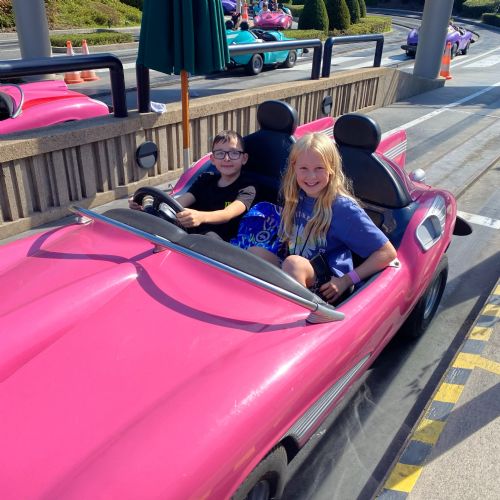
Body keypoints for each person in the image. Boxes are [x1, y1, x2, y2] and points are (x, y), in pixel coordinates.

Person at [249, 133, 397, 304]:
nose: (311, 176)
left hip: (329, 286)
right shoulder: (296, 196)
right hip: (297, 272)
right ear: (294, 167)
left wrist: (346, 280)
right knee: (254, 253)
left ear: (331, 168)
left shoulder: (343, 208)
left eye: (319, 168)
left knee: (293, 264)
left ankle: (292, 314)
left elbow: (387, 253)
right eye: (304, 168)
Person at [130, 131, 257, 242]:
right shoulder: (205, 179)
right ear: (212, 159)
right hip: (188, 232)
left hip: (220, 240)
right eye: (220, 153)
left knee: (210, 237)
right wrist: (147, 206)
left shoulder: (247, 188)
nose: (227, 158)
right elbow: (179, 202)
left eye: (234, 153)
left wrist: (200, 217)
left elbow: (227, 214)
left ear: (244, 158)